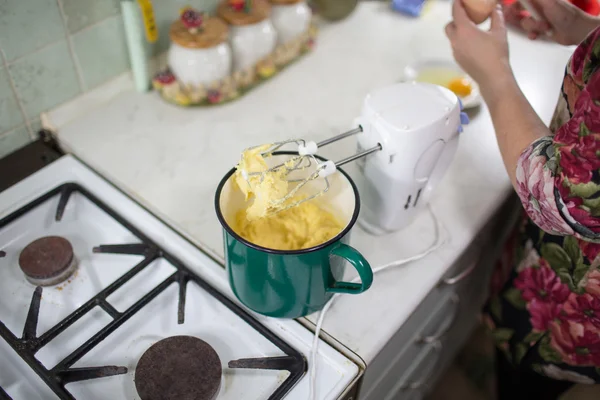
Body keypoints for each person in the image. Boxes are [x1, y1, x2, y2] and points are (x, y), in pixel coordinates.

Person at [445, 0, 600, 398]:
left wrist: (494, 77)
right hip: (560, 257)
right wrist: (584, 30)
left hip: (578, 296)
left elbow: (563, 196)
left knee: (529, 381)